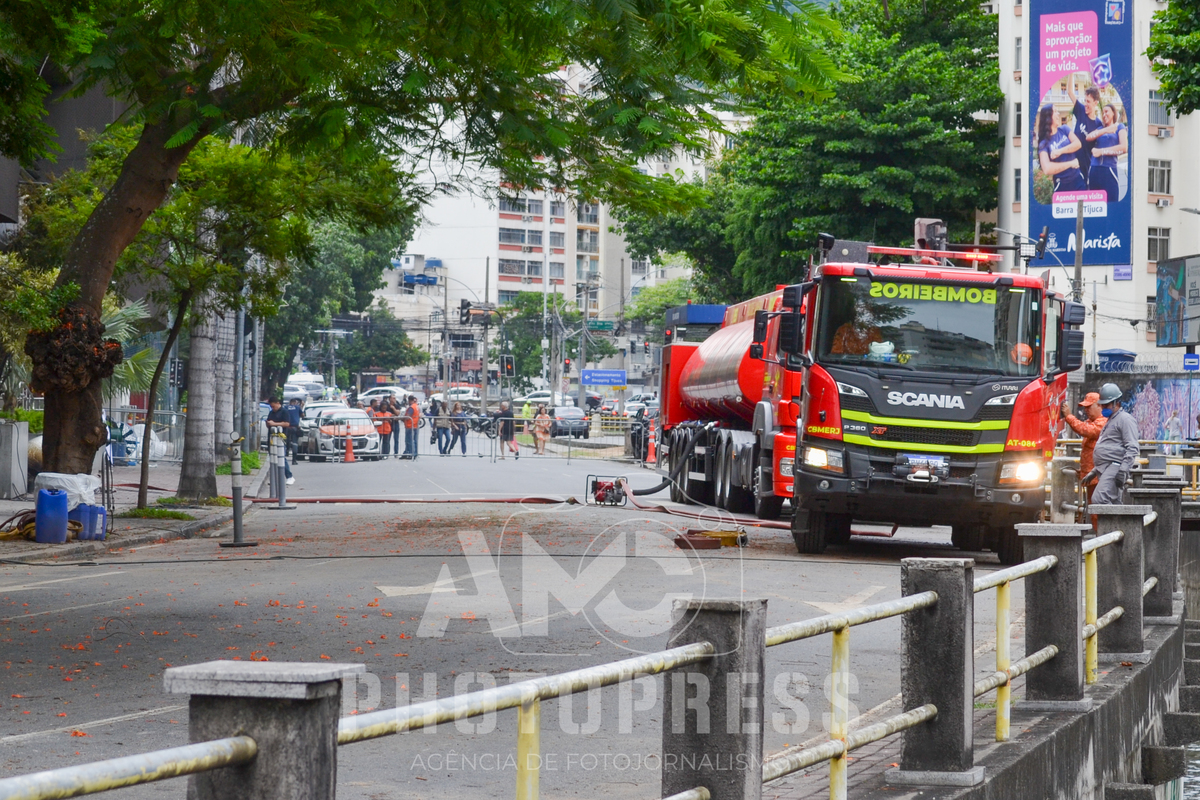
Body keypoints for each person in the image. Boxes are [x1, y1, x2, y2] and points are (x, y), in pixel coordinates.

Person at [1083, 383, 1139, 506]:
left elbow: (1132, 447)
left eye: (1106, 405)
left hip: (1115, 467)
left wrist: (1123, 470)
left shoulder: (1125, 420)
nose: (1103, 408)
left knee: (1100, 499)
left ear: (1116, 402)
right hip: (1106, 468)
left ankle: (1113, 525)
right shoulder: (1111, 420)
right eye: (1102, 405)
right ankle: (1120, 525)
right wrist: (1093, 472)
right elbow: (1109, 447)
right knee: (1113, 502)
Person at [1061, 392, 1106, 502]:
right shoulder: (1093, 422)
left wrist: (1069, 416)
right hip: (1093, 476)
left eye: (1089, 407)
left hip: (1099, 477)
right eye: (1085, 407)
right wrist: (1083, 470)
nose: (1086, 410)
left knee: (1097, 508)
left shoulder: (1103, 422)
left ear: (1099, 405)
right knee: (1092, 507)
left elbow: (1085, 429)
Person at [1035, 104, 1086, 193]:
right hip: (1062, 186)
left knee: (1081, 207)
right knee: (1067, 208)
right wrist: (1071, 163)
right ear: (1048, 117)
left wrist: (1060, 151)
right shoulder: (1043, 144)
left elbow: (1078, 144)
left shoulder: (1064, 129)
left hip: (1078, 181)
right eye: (1055, 111)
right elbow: (1047, 169)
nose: (1058, 114)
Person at [1085, 104, 1127, 202]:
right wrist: (1105, 130)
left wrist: (1101, 151)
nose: (1104, 115)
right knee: (1095, 206)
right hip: (1094, 170)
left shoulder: (1119, 127)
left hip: (1109, 171)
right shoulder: (1100, 129)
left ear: (1113, 112)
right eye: (1103, 113)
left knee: (1111, 205)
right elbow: (1088, 137)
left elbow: (1124, 148)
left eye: (1106, 111)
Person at [1066, 75, 1104, 183]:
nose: (1085, 104)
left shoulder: (1098, 125)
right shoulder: (1080, 110)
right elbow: (1070, 92)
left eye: (1088, 101)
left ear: (1095, 103)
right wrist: (1071, 71)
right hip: (1072, 162)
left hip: (1085, 169)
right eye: (1085, 100)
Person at [265, 397, 294, 485]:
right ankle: (274, 477)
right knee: (273, 457)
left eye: (274, 406)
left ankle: (289, 476)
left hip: (281, 437)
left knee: (281, 457)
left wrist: (274, 424)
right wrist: (269, 424)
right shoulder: (271, 413)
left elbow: (287, 423)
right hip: (272, 437)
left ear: (278, 403)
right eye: (271, 407)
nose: (273, 408)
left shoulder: (284, 411)